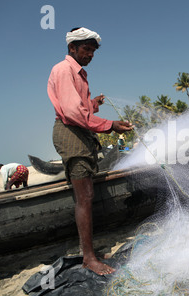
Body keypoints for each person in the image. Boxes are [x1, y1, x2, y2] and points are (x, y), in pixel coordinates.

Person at [47, 27, 134, 276]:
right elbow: (73, 114)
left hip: (79, 133)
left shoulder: (79, 74)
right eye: (87, 49)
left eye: (94, 51)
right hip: (70, 133)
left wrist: (94, 103)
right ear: (72, 48)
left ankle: (90, 252)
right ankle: (88, 258)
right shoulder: (64, 70)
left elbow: (81, 109)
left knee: (87, 194)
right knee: (84, 197)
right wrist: (110, 125)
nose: (91, 55)